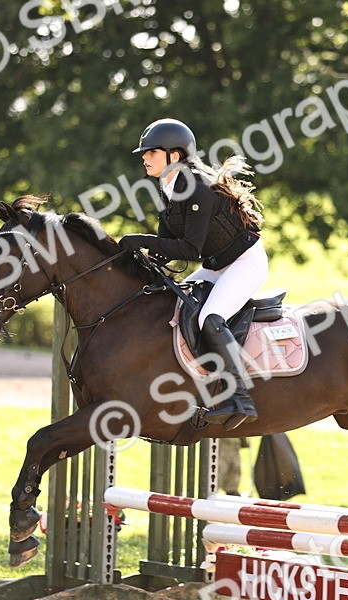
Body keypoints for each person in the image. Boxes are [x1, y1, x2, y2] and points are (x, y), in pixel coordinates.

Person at [118, 118, 267, 431]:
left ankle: (240, 397)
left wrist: (141, 240)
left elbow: (189, 249)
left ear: (174, 155)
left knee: (209, 318)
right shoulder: (168, 186)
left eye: (151, 152)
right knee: (174, 308)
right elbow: (167, 243)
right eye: (144, 153)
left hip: (244, 263)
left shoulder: (197, 187)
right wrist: (141, 257)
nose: (144, 157)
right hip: (216, 265)